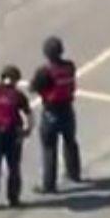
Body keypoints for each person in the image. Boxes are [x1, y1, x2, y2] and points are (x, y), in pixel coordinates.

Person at [30, 36, 82, 193]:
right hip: (67, 109)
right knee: (70, 141)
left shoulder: (45, 71)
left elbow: (33, 87)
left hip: (51, 112)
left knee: (49, 148)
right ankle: (74, 173)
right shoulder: (69, 66)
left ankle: (49, 184)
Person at [0, 65, 33, 209]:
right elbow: (28, 113)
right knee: (13, 167)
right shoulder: (17, 95)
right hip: (13, 135)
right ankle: (14, 198)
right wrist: (28, 129)